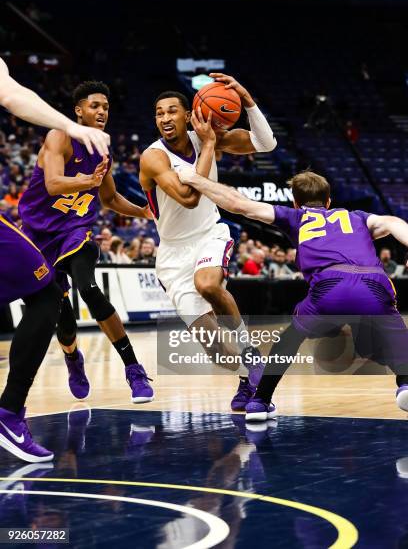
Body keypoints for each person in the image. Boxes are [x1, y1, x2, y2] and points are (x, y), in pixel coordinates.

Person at [178, 168, 408, 419]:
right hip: (373, 283)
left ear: (295, 202)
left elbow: (238, 204)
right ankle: (404, 383)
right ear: (329, 201)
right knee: (395, 338)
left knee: (288, 340)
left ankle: (260, 401)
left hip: (329, 286)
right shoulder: (357, 218)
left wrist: (194, 179)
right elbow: (393, 222)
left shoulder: (295, 217)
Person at [139, 72, 277, 410]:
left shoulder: (206, 136)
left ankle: (251, 354)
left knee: (209, 285)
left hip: (209, 234)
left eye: (171, 111)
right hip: (172, 254)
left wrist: (246, 99)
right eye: (159, 113)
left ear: (188, 115)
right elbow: (187, 196)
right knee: (214, 350)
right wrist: (212, 145)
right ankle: (249, 377)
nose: (164, 118)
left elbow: (266, 143)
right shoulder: (153, 157)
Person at [0, 57, 109, 463]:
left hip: (70, 230)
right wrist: (71, 127)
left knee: (49, 295)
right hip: (38, 228)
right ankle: (8, 414)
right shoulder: (61, 139)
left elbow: (13, 94)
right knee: (46, 297)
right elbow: (12, 96)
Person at [18, 80, 154, 405]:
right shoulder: (59, 136)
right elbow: (52, 184)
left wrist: (145, 213)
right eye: (95, 106)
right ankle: (72, 358)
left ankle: (134, 368)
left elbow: (109, 198)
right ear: (78, 110)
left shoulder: (101, 149)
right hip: (39, 236)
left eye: (106, 107)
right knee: (61, 315)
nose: (102, 112)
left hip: (75, 229)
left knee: (89, 288)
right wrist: (83, 181)